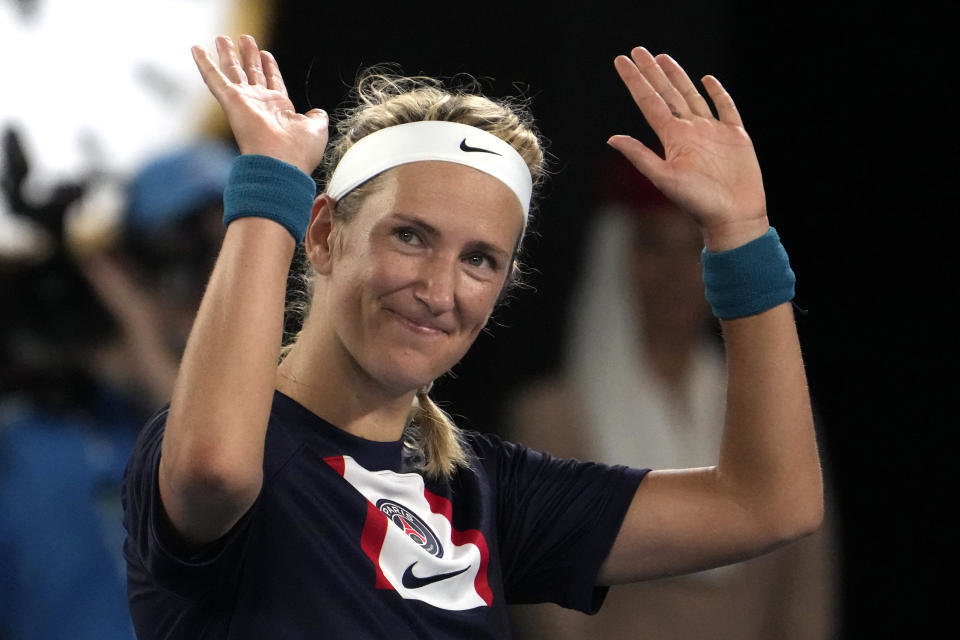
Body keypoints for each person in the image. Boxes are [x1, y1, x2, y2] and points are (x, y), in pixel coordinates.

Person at [121, 35, 823, 639]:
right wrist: (271, 182)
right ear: (327, 233)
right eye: (410, 236)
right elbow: (216, 466)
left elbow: (768, 503)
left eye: (478, 259)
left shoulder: (484, 493)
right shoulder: (223, 445)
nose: (438, 290)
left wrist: (741, 237)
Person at [505, 154, 838, 639]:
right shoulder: (552, 417)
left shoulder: (773, 410)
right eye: (653, 246)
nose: (678, 272)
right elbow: (553, 618)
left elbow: (808, 593)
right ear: (615, 255)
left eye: (696, 249)